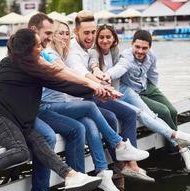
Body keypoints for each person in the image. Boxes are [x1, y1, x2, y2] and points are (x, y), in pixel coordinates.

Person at [0, 28, 115, 191]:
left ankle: (71, 175)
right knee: (20, 150)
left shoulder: (29, 67)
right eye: (38, 45)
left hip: (13, 120)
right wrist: (95, 89)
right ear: (28, 49)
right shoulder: (15, 65)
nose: (42, 48)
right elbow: (63, 83)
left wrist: (97, 90)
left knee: (39, 140)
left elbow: (64, 83)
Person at [38, 20, 152, 191]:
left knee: (88, 125)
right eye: (60, 33)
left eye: (67, 33)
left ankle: (99, 172)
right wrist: (99, 87)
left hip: (64, 105)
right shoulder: (50, 55)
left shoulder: (62, 54)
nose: (64, 37)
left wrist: (99, 88)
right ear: (51, 36)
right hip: (49, 107)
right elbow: (71, 76)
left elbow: (75, 77)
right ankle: (118, 144)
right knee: (91, 107)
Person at [89, 27, 190, 171]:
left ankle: (181, 145)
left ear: (114, 39)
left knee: (159, 112)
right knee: (144, 114)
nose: (105, 40)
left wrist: (153, 89)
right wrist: (106, 75)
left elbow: (148, 72)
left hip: (130, 89)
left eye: (108, 37)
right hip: (115, 92)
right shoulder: (98, 53)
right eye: (101, 37)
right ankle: (181, 144)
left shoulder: (115, 51)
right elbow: (119, 67)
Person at [65, 10, 155, 181]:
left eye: (93, 32)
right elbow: (81, 72)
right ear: (76, 31)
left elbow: (95, 64)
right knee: (111, 118)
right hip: (81, 99)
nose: (91, 36)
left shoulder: (90, 47)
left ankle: (130, 164)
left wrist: (103, 82)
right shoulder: (73, 51)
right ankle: (121, 164)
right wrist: (102, 86)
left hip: (91, 96)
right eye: (86, 33)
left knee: (128, 113)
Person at [27, 13, 90, 191]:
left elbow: (63, 73)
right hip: (27, 112)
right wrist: (92, 87)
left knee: (78, 128)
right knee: (47, 136)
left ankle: (76, 187)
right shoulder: (25, 52)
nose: (52, 37)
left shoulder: (43, 51)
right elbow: (60, 78)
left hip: (35, 109)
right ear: (33, 31)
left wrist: (94, 85)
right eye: (49, 33)